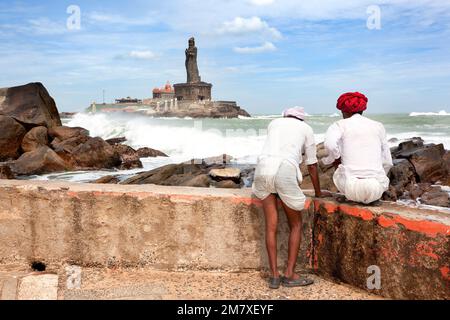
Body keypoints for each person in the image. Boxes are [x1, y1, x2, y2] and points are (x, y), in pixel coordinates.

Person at [252, 107, 326, 289]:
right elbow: (312, 164)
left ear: (285, 116)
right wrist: (318, 192)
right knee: (296, 224)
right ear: (302, 119)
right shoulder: (306, 129)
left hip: (263, 169)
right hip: (284, 170)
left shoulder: (274, 123)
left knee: (271, 226)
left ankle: (274, 276)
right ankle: (290, 274)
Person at [322, 92, 393, 205]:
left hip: (350, 188)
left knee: (338, 163)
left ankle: (350, 197)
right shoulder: (378, 126)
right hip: (376, 188)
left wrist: (335, 158)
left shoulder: (339, 124)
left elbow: (330, 145)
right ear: (362, 110)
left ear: (344, 111)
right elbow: (388, 161)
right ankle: (372, 198)